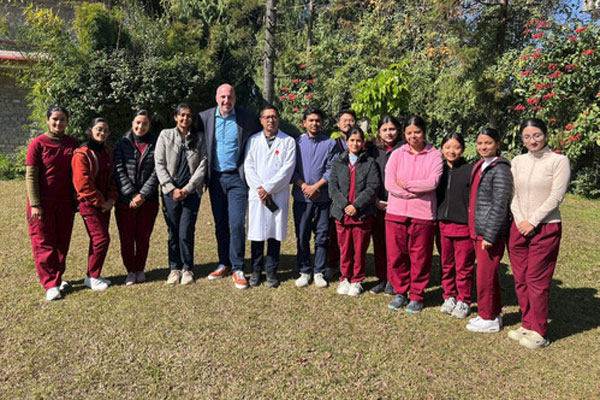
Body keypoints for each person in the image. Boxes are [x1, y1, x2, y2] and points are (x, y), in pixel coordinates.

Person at [508, 118, 570, 348]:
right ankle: (526, 323)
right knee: (521, 278)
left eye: (536, 135)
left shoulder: (558, 161)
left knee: (537, 279)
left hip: (545, 226)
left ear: (545, 135)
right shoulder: (517, 161)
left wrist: (533, 221)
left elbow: (556, 196)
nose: (532, 140)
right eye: (527, 136)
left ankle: (539, 331)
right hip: (519, 226)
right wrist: (520, 220)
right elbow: (513, 194)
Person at [197, 84, 261, 290]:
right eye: (223, 97)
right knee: (220, 223)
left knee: (236, 224)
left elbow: (262, 139)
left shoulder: (247, 118)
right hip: (215, 178)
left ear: (235, 98)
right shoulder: (204, 118)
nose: (227, 101)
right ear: (217, 98)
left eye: (230, 97)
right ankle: (224, 263)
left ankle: (238, 267)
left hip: (237, 179)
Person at [384, 115, 443, 313]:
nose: (413, 136)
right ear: (404, 134)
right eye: (409, 133)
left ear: (424, 132)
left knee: (420, 256)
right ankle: (401, 291)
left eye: (417, 132)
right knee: (397, 254)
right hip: (396, 212)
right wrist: (411, 192)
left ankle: (417, 294)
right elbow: (390, 183)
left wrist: (407, 184)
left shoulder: (434, 154)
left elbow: (432, 182)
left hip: (423, 213)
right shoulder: (398, 153)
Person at [26, 106, 79, 301]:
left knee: (61, 242)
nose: (59, 123)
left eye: (62, 119)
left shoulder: (72, 144)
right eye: (55, 119)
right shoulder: (37, 144)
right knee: (44, 242)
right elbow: (31, 175)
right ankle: (50, 284)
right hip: (42, 203)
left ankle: (57, 278)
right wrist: (35, 203)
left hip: (65, 202)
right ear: (48, 120)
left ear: (67, 121)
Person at [243, 106, 296, 288]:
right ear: (261, 120)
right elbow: (248, 166)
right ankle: (256, 271)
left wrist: (269, 188)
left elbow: (287, 169)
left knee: (274, 234)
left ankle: (272, 272)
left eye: (273, 117)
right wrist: (260, 188)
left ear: (278, 119)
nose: (270, 120)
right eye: (267, 117)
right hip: (258, 195)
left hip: (277, 194)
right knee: (257, 234)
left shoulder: (288, 141)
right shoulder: (253, 140)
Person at [466, 127, 513, 333]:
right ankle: (490, 312)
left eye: (488, 143)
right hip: (478, 229)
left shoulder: (501, 169)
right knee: (486, 274)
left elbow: (500, 204)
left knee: (486, 275)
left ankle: (489, 318)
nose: (483, 147)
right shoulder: (481, 165)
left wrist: (491, 235)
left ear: (497, 144)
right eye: (480, 143)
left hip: (489, 232)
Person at [155, 103, 208, 285]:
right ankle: (174, 268)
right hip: (170, 192)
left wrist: (187, 188)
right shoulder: (165, 135)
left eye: (189, 116)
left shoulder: (199, 138)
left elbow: (203, 165)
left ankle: (187, 268)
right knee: (173, 231)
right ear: (176, 117)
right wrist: (171, 188)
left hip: (190, 192)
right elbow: (159, 164)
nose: (185, 119)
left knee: (186, 231)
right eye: (182, 115)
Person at [329, 127, 380, 296]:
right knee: (345, 248)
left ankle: (357, 279)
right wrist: (344, 205)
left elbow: (373, 187)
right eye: (352, 140)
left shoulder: (370, 162)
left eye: (359, 140)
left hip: (362, 214)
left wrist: (356, 205)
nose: (355, 143)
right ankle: (345, 278)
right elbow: (333, 187)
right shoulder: (339, 162)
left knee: (359, 249)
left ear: (363, 142)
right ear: (346, 141)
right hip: (342, 214)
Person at [292, 107, 338, 288]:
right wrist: (304, 186)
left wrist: (317, 186)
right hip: (301, 197)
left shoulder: (329, 143)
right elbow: (291, 169)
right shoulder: (296, 143)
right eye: (310, 120)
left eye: (317, 120)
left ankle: (319, 271)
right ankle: (304, 270)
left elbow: (331, 169)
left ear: (322, 123)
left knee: (321, 235)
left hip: (322, 198)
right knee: (302, 235)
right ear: (304, 123)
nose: (314, 123)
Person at [72, 117, 118, 291]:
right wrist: (100, 202)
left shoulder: (108, 152)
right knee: (101, 239)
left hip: (105, 204)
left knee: (98, 239)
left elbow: (114, 178)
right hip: (89, 204)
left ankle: (94, 274)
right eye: (99, 129)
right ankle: (92, 276)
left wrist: (111, 199)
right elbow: (82, 183)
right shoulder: (81, 153)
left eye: (106, 130)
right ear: (90, 130)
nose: (102, 133)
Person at [113, 110, 159, 286]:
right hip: (126, 201)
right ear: (132, 123)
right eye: (138, 123)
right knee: (126, 237)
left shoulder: (156, 143)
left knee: (143, 236)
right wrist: (132, 194)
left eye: (145, 124)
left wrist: (143, 195)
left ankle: (140, 268)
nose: (141, 127)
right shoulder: (121, 143)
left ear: (149, 125)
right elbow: (118, 170)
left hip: (149, 200)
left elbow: (158, 171)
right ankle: (130, 270)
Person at [436, 133, 475, 318]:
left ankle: (464, 300)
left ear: (463, 149)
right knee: (446, 264)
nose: (452, 151)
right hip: (442, 224)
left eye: (457, 147)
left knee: (463, 266)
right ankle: (449, 296)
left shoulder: (470, 170)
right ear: (442, 148)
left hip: (463, 226)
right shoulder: (438, 169)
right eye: (448, 147)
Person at [369, 115, 403, 295]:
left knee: (396, 246)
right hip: (377, 203)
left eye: (392, 129)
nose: (389, 133)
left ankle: (395, 279)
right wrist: (374, 198)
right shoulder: (374, 150)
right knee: (380, 243)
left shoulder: (404, 149)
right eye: (385, 130)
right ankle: (382, 278)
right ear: (379, 132)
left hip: (398, 204)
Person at [325, 109, 358, 281]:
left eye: (351, 120)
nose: (347, 123)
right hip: (336, 195)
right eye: (344, 120)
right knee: (334, 233)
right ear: (338, 124)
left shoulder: (360, 143)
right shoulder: (333, 143)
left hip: (355, 195)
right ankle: (332, 264)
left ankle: (353, 267)